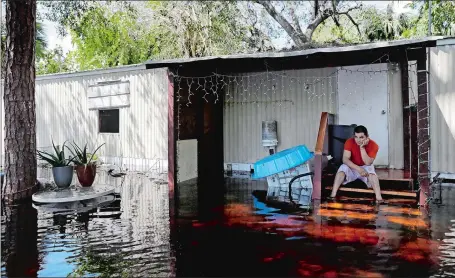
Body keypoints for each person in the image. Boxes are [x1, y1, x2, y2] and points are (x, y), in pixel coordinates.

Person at [329, 125, 384, 203]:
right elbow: (345, 159)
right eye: (356, 137)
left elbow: (368, 162)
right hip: (353, 167)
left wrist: (362, 148)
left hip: (365, 168)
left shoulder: (373, 145)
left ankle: (379, 198)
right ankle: (333, 195)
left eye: (361, 137)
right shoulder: (349, 142)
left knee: (372, 172)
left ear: (367, 137)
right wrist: (358, 168)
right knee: (343, 167)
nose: (358, 140)